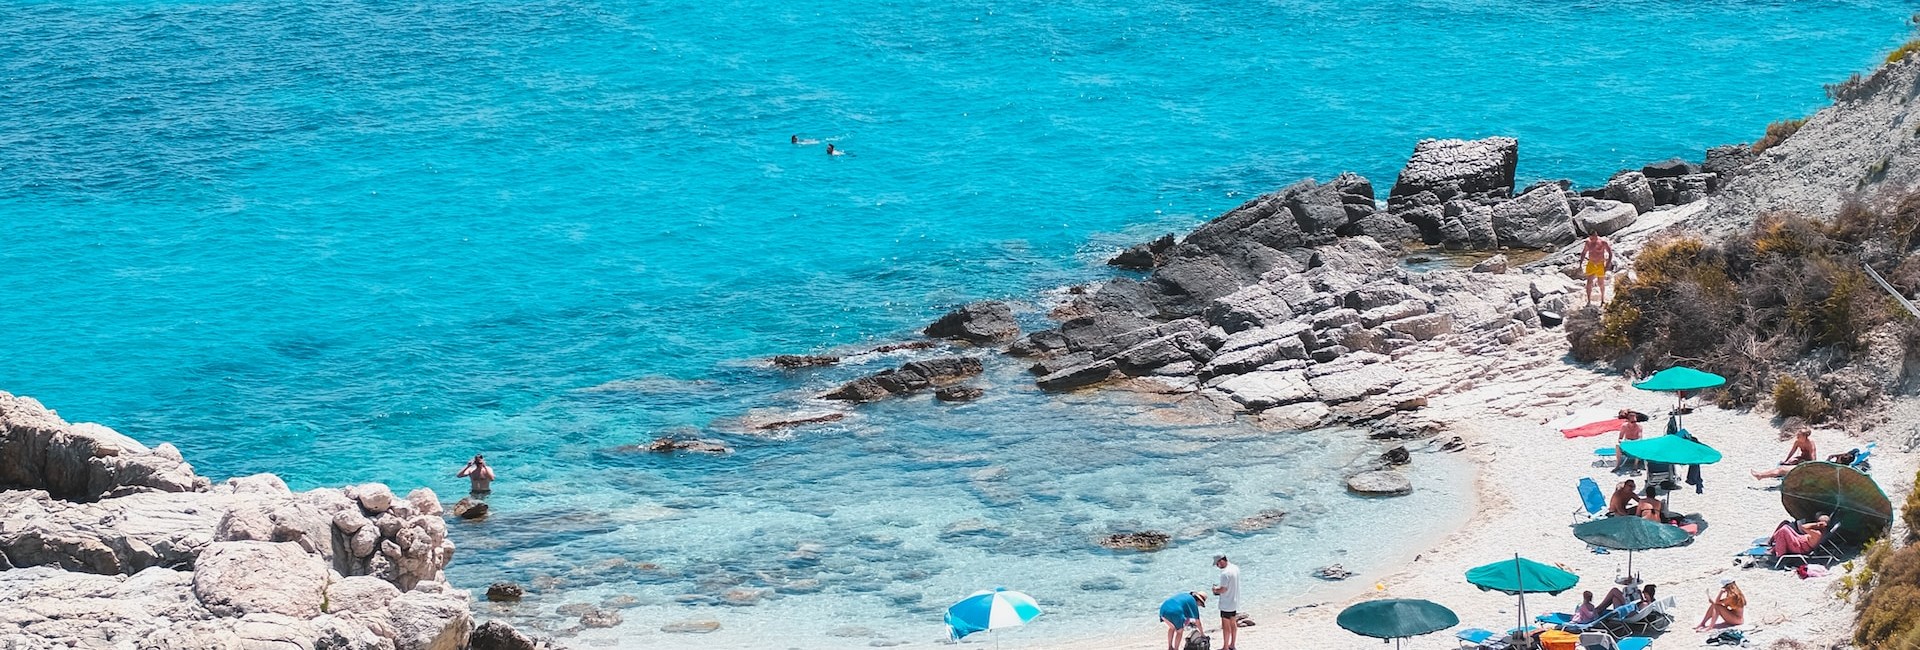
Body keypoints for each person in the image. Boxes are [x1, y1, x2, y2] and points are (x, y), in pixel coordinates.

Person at [1212, 556, 1241, 650]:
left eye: (1217, 563)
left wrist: (1215, 590)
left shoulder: (1225, 574)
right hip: (1234, 601)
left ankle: (1225, 647)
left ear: (1221, 561)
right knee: (1233, 623)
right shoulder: (1235, 568)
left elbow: (1223, 589)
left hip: (1226, 603)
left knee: (1226, 626)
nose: (1217, 566)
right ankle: (1232, 644)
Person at [1581, 233, 1615, 306]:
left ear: (1596, 236)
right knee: (1589, 282)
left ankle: (1602, 299)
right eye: (1590, 238)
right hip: (1591, 264)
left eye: (1592, 238)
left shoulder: (1603, 242)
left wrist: (1608, 264)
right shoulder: (1588, 242)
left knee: (1601, 283)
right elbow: (1584, 252)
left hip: (1600, 264)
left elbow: (1610, 253)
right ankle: (1589, 300)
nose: (1591, 240)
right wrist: (1580, 262)